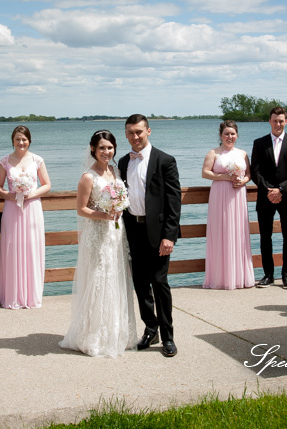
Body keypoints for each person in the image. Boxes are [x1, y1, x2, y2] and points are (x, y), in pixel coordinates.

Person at [60, 130, 137, 357]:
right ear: (93, 149)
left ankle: (116, 332)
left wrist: (118, 208)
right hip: (98, 233)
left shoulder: (117, 171)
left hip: (116, 233)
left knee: (116, 278)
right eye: (102, 148)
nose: (106, 152)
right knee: (98, 280)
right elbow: (81, 209)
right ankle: (94, 336)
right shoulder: (88, 177)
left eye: (110, 147)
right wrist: (104, 215)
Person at [117, 114, 181, 357]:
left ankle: (168, 336)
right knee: (141, 284)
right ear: (126, 134)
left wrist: (169, 236)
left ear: (149, 131)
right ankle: (150, 328)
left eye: (139, 132)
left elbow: (174, 202)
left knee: (160, 282)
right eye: (131, 133)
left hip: (159, 233)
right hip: (133, 230)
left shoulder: (165, 160)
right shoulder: (123, 162)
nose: (135, 137)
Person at [0, 125, 51, 309]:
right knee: (12, 249)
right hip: (12, 208)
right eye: (18, 139)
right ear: (13, 140)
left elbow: (47, 185)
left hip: (32, 208)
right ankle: (13, 296)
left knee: (32, 248)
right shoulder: (5, 161)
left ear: (29, 141)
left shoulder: (37, 160)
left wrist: (31, 194)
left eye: (24, 139)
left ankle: (31, 296)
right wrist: (10, 195)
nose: (21, 142)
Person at [250, 106, 287, 288]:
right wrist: (269, 191)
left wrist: (281, 190)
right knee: (265, 238)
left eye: (281, 120)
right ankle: (268, 275)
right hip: (265, 198)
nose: (278, 124)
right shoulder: (259, 143)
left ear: (286, 122)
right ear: (269, 121)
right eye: (275, 120)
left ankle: (286, 275)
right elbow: (255, 172)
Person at [201, 120, 255, 290]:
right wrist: (224, 177)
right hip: (220, 195)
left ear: (237, 135)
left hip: (238, 194)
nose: (230, 137)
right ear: (220, 135)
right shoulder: (214, 153)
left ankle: (240, 277)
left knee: (238, 233)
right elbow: (205, 173)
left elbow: (249, 174)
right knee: (221, 232)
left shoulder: (243, 153)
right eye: (226, 134)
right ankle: (220, 277)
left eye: (232, 134)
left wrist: (243, 181)